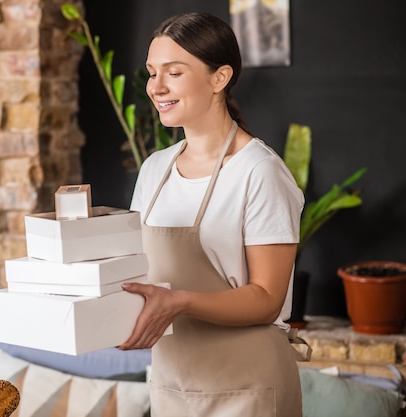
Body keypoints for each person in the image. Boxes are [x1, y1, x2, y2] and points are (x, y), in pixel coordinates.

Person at [119, 12, 306, 417]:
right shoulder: (155, 169)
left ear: (219, 78)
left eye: (174, 72)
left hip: (249, 387)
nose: (157, 87)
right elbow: (137, 274)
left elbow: (267, 299)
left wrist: (179, 302)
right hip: (173, 382)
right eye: (152, 73)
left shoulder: (260, 171)